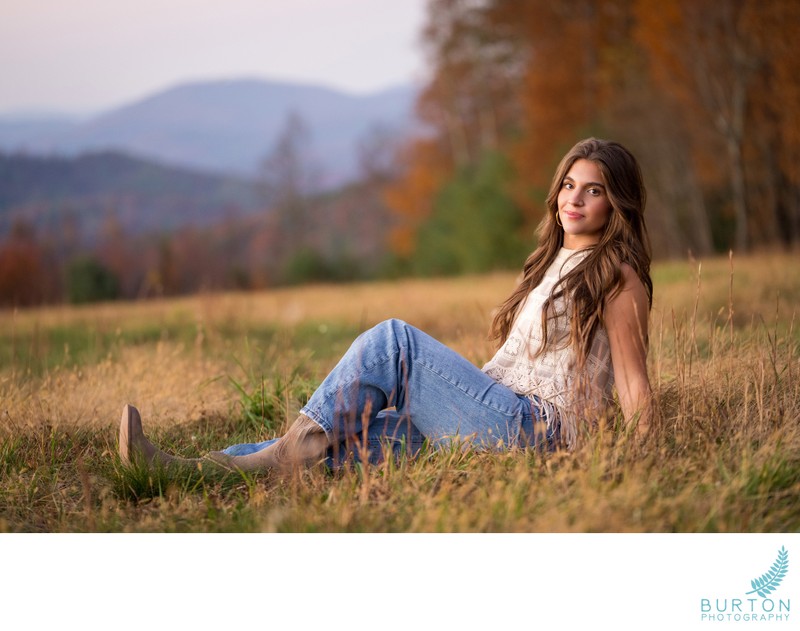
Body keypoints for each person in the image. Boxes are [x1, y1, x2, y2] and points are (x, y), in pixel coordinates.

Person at [119, 137, 653, 473]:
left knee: (394, 341)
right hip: (493, 417)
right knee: (343, 442)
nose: (574, 199)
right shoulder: (550, 262)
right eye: (568, 184)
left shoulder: (616, 276)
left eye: (593, 190)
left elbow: (633, 385)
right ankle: (187, 470)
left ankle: (282, 452)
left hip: (537, 433)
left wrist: (644, 462)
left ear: (617, 204)